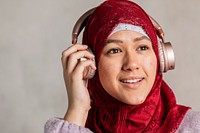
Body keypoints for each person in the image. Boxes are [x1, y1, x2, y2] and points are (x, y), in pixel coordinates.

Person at [45, 1, 200, 132]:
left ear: (161, 57)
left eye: (142, 47)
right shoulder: (75, 125)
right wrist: (78, 108)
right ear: (90, 62)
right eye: (114, 50)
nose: (131, 64)